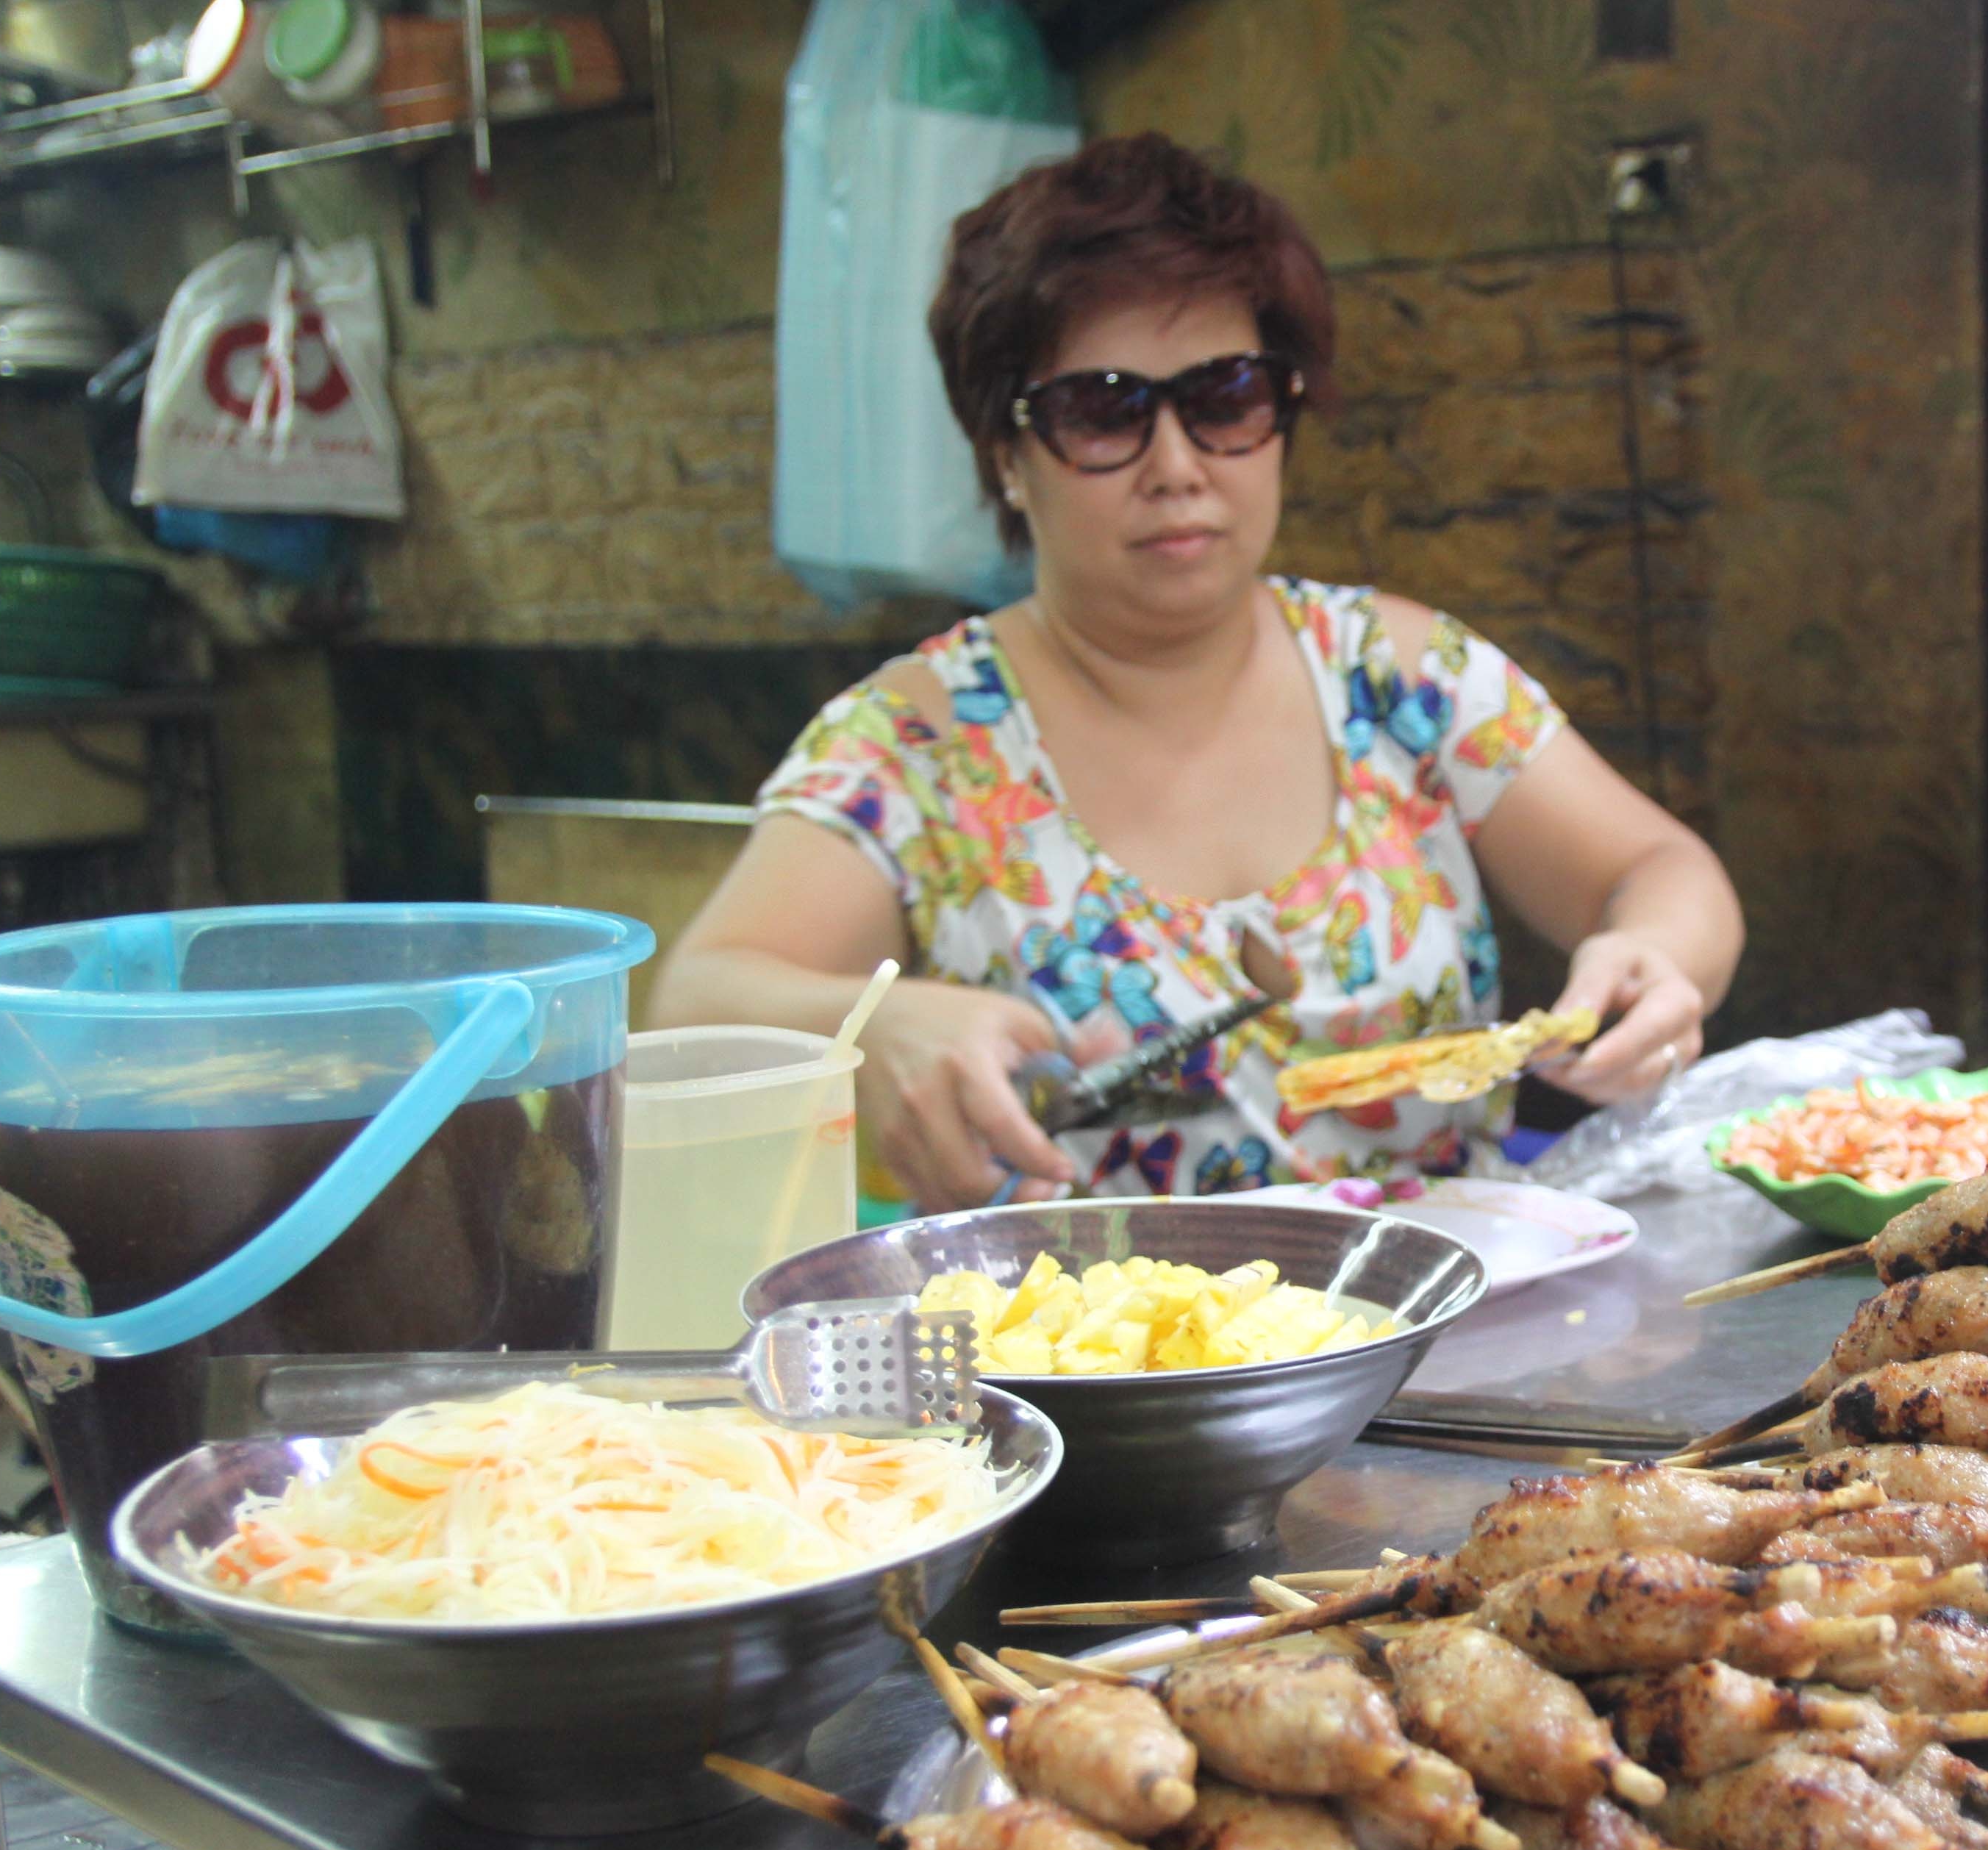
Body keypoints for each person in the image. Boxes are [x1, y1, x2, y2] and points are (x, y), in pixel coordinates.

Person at [656, 133, 1744, 1210]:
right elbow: (688, 1010)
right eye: (1103, 412)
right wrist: (871, 1024)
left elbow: (1660, 866)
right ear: (1004, 452)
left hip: (1458, 1350)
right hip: (1085, 1366)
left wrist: (1653, 955)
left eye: (1225, 396)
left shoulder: (1400, 678)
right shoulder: (920, 743)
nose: (1176, 468)